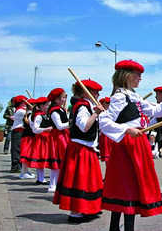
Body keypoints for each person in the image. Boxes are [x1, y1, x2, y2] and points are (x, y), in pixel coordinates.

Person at [98, 60, 162, 230]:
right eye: (138, 74)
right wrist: (127, 129)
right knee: (127, 186)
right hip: (128, 145)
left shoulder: (134, 96)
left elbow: (158, 110)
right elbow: (104, 121)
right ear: (127, 75)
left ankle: (118, 227)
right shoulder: (120, 97)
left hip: (137, 144)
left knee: (130, 186)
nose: (140, 78)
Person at [53, 79, 104, 224]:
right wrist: (96, 114)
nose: (98, 94)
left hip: (86, 148)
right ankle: (75, 213)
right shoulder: (82, 106)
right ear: (85, 92)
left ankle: (87, 208)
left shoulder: (87, 105)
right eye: (95, 91)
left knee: (88, 181)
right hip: (80, 149)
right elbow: (84, 127)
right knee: (78, 181)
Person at [26, 96, 53, 186]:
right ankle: (40, 178)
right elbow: (35, 129)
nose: (48, 107)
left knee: (43, 158)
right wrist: (45, 129)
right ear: (41, 105)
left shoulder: (44, 115)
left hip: (46, 139)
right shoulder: (38, 116)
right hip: (41, 139)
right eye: (47, 105)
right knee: (40, 158)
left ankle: (41, 178)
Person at [47, 88, 70, 192]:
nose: (65, 100)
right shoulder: (54, 111)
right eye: (63, 97)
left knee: (61, 161)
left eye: (65, 97)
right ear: (56, 99)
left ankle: (59, 183)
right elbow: (59, 126)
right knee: (56, 161)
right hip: (58, 137)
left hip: (63, 136)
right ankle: (52, 184)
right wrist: (71, 123)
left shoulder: (60, 110)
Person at [98, 97, 114, 163]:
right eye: (107, 103)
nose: (109, 105)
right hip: (105, 136)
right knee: (108, 159)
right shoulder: (101, 114)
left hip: (113, 136)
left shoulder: (112, 112)